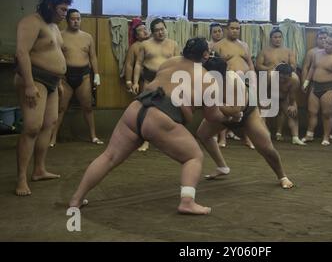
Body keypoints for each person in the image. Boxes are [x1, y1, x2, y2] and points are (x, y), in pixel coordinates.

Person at [69, 38, 241, 215]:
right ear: (205, 55)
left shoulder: (170, 61)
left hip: (136, 108)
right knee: (194, 156)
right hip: (161, 116)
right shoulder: (207, 79)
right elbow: (211, 116)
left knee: (109, 156)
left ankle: (76, 199)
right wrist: (231, 116)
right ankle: (187, 202)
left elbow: (163, 85)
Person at [196, 56, 295, 189]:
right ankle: (222, 167)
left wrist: (212, 102)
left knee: (266, 148)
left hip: (248, 112)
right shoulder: (205, 81)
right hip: (226, 112)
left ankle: (282, 176)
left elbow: (237, 110)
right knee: (203, 134)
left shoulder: (233, 82)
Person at [14, 0, 72, 196]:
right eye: (62, 9)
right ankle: (21, 178)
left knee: (49, 124)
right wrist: (29, 84)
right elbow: (21, 52)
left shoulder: (54, 27)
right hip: (35, 79)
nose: (65, 14)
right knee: (32, 127)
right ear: (50, 6)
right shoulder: (31, 22)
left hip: (53, 82)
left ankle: (39, 169)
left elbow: (55, 55)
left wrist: (61, 82)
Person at [50, 9, 103, 146]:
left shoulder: (87, 37)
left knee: (88, 108)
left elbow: (93, 57)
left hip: (84, 76)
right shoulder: (60, 36)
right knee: (61, 108)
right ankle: (52, 138)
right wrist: (57, 76)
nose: (76, 21)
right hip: (65, 77)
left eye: (78, 18)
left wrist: (96, 74)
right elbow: (55, 57)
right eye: (73, 18)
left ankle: (93, 136)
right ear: (67, 20)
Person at [132, 18, 180, 151]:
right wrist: (135, 82)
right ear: (152, 32)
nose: (160, 32)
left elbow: (178, 64)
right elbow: (138, 64)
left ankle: (167, 141)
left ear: (166, 29)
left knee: (169, 112)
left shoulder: (173, 44)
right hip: (149, 80)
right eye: (157, 30)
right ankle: (145, 141)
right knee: (146, 111)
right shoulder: (145, 45)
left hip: (167, 81)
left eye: (162, 29)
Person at [212, 19, 256, 149]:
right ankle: (222, 138)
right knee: (227, 109)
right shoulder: (218, 45)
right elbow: (215, 66)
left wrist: (253, 78)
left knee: (249, 108)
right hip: (229, 79)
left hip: (246, 79)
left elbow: (250, 63)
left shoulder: (244, 45)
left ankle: (248, 138)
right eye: (232, 28)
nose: (235, 31)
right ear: (227, 29)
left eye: (237, 28)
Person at [302, 34, 332, 146]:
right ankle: (309, 134)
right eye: (326, 42)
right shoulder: (317, 54)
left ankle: (326, 137)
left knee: (327, 114)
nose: (326, 45)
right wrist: (306, 82)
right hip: (315, 86)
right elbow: (312, 68)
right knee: (312, 112)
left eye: (330, 44)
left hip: (329, 88)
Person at [256, 28, 299, 143]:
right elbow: (259, 66)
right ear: (271, 38)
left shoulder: (288, 51)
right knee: (263, 110)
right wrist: (273, 69)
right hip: (269, 84)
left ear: (282, 38)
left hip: (285, 84)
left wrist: (283, 70)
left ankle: (288, 135)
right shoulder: (264, 51)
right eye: (275, 37)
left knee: (287, 110)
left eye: (279, 37)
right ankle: (264, 135)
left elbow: (293, 66)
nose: (277, 39)